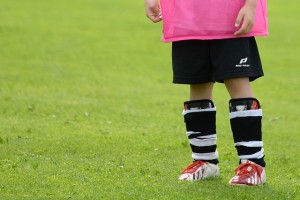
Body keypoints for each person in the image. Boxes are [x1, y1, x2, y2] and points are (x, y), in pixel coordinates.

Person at [144, 0, 268, 186]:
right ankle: (205, 161)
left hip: (231, 16)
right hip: (188, 19)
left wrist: (250, 5)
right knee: (198, 83)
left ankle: (252, 164)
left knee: (237, 82)